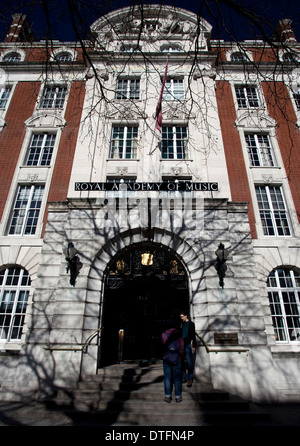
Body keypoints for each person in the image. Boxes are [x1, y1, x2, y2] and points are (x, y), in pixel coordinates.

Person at [162, 319, 184, 403]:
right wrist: (180, 356)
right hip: (177, 358)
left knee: (167, 377)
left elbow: (162, 346)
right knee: (177, 378)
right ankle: (178, 396)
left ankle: (167, 396)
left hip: (166, 358)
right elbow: (181, 346)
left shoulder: (164, 334)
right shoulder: (178, 333)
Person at [180, 311, 196, 387]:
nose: (181, 318)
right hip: (181, 345)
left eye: (182, 316)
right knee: (182, 362)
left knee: (190, 362)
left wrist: (194, 346)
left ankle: (190, 378)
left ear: (186, 316)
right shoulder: (182, 324)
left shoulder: (191, 324)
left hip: (188, 345)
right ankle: (183, 377)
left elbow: (193, 336)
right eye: (181, 317)